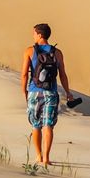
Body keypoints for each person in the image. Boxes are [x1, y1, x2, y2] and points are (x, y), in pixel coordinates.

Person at [21, 23, 72, 167]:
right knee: (48, 125)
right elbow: (62, 74)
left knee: (36, 125)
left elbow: (25, 74)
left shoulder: (29, 51)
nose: (33, 36)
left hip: (34, 91)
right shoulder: (57, 53)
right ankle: (46, 159)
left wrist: (24, 91)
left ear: (39, 35)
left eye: (34, 33)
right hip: (51, 92)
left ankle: (38, 156)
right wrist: (68, 92)